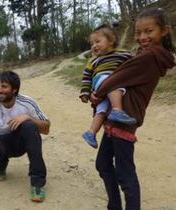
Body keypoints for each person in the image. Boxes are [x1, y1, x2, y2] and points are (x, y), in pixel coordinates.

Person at [91, 8, 175, 210]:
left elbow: (117, 77)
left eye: (149, 31)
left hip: (124, 118)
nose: (142, 37)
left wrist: (99, 92)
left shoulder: (149, 57)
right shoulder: (149, 55)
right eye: (138, 32)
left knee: (125, 174)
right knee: (103, 163)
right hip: (119, 118)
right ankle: (114, 206)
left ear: (164, 31)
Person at [0, 70, 51, 202]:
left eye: (4, 86)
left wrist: (28, 117)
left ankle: (37, 183)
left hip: (22, 143)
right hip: (2, 144)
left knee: (29, 125)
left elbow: (46, 128)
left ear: (14, 89)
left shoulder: (27, 102)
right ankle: (1, 166)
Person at [79, 25, 134, 149]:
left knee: (102, 109)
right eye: (92, 44)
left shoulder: (123, 54)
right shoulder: (93, 61)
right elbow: (87, 77)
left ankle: (91, 133)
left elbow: (134, 64)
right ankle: (117, 110)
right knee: (113, 83)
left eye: (97, 41)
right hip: (102, 80)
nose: (94, 46)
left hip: (107, 89)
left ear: (111, 40)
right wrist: (85, 93)